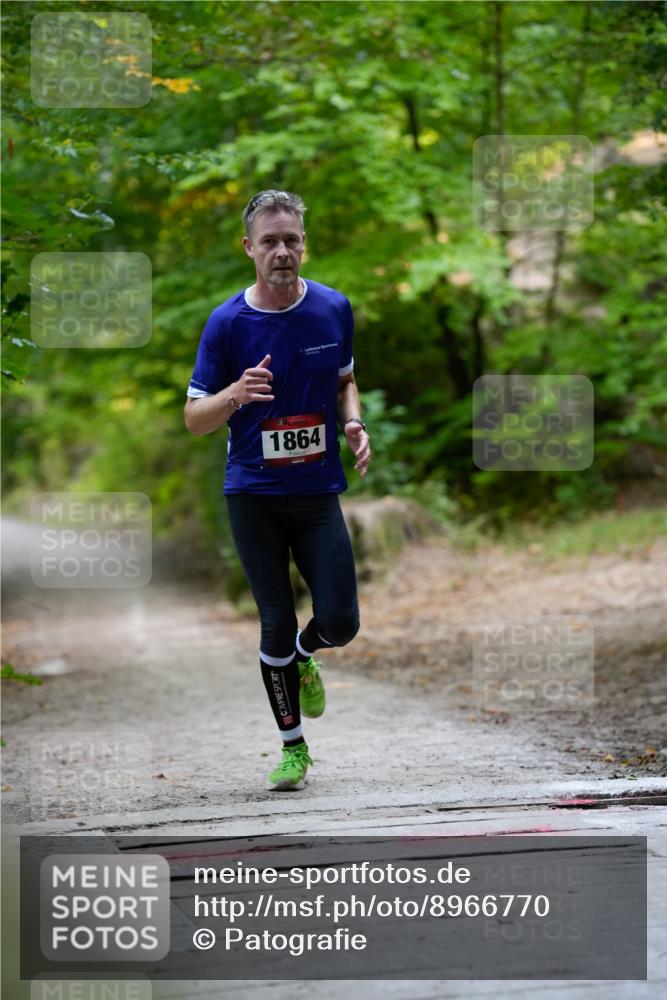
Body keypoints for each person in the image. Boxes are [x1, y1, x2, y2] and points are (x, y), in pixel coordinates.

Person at [184, 190, 371, 791]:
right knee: (272, 619)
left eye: (291, 239)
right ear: (249, 249)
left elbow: (346, 381)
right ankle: (293, 748)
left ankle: (307, 651)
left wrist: (352, 422)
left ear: (303, 244)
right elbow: (195, 418)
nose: (282, 251)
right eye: (270, 241)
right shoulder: (227, 323)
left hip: (317, 492)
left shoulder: (333, 308)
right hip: (253, 494)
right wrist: (235, 392)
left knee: (341, 619)